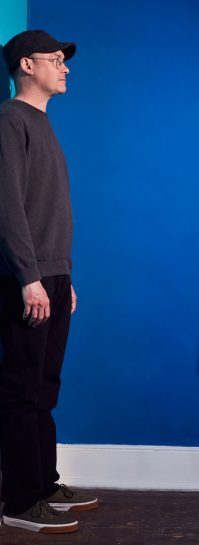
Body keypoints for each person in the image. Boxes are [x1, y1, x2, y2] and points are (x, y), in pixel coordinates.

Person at [0, 30, 98, 534]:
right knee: (22, 389)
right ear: (26, 65)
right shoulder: (10, 120)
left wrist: (63, 275)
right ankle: (18, 501)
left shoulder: (41, 123)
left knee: (44, 387)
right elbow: (7, 206)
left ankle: (42, 484)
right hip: (27, 279)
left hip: (52, 276)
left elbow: (49, 211)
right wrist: (29, 276)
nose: (65, 68)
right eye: (55, 60)